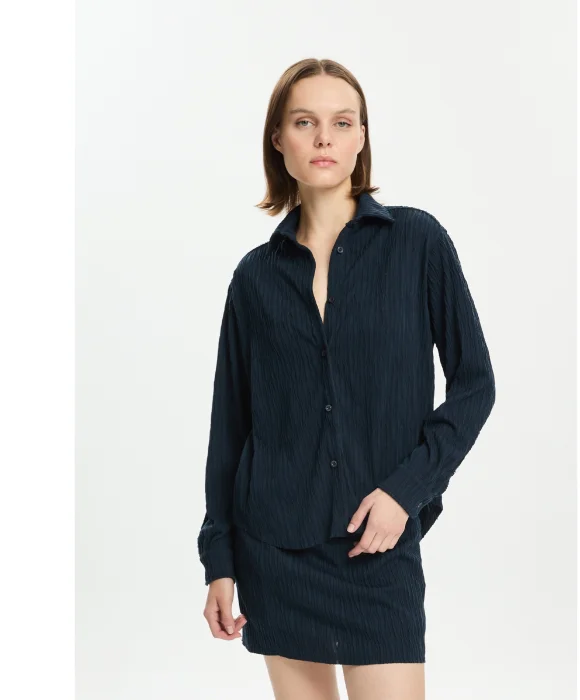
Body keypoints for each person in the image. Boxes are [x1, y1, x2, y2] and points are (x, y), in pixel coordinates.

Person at [198, 57, 496, 700]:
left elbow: (475, 384)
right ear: (279, 139)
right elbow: (231, 429)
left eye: (341, 122)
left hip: (377, 548)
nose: (324, 138)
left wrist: (405, 491)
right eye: (305, 122)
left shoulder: (417, 242)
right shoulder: (255, 277)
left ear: (362, 136)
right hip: (276, 551)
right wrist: (219, 560)